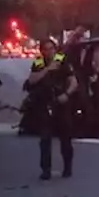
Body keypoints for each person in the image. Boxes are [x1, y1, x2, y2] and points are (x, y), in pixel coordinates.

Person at [24, 38, 79, 179]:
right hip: (44, 105)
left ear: (55, 50)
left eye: (51, 49)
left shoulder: (62, 61)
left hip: (61, 103)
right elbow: (31, 80)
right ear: (42, 51)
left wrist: (66, 95)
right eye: (46, 49)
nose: (49, 52)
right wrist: (47, 69)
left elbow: (73, 82)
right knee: (45, 139)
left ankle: (68, 168)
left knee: (65, 138)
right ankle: (46, 170)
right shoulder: (38, 62)